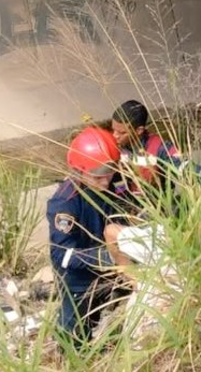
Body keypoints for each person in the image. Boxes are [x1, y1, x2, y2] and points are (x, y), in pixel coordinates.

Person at [105, 100, 201, 268]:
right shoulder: (114, 145)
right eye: (113, 129)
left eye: (121, 132)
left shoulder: (159, 148)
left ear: (139, 130)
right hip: (122, 210)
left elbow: (185, 166)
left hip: (157, 212)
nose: (114, 136)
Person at [47, 126, 120, 348]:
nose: (106, 182)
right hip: (79, 279)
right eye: (99, 176)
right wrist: (106, 258)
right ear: (79, 171)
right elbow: (62, 255)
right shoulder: (65, 203)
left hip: (112, 270)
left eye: (110, 172)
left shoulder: (108, 184)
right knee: (74, 334)